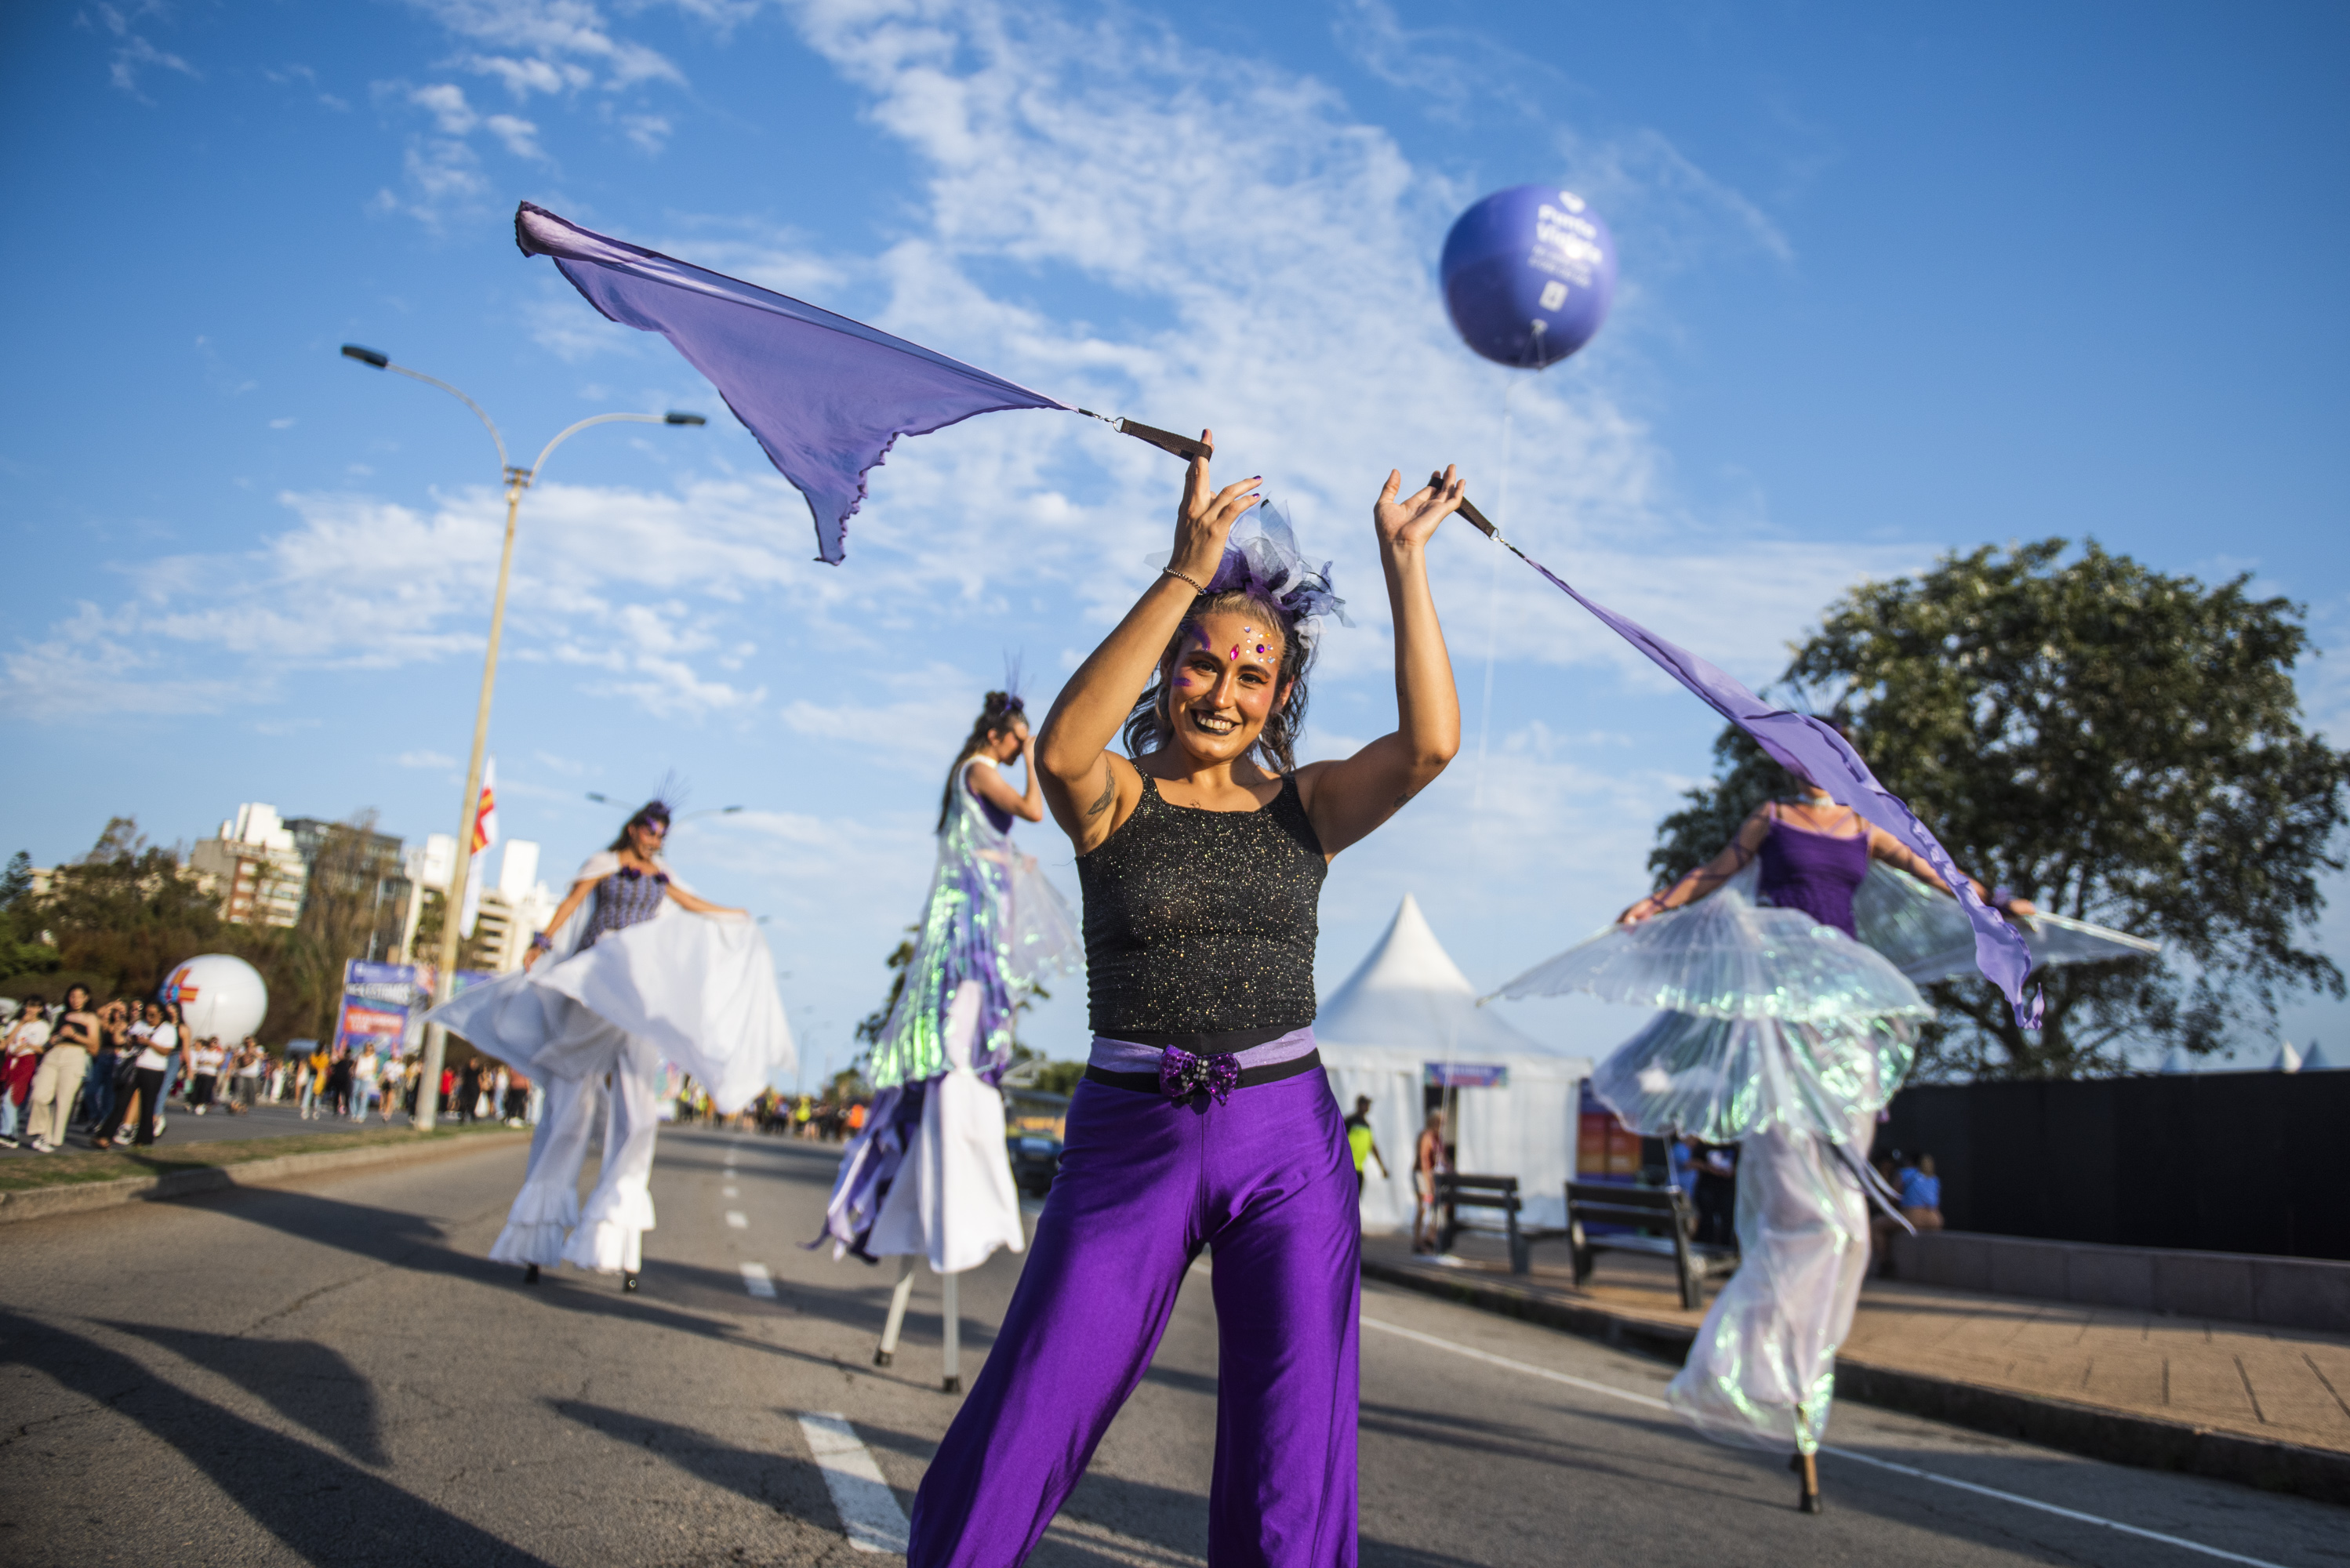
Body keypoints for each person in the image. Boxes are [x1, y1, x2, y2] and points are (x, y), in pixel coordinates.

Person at [903, 445, 1466, 1566]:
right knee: (1035, 1403)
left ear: (1281, 694)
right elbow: (1064, 746)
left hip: (1289, 1141)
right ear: (1168, 670)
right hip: (1131, 1135)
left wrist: (1405, 562)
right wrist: (1183, 573)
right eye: (1201, 665)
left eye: (1251, 677)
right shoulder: (1113, 795)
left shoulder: (1308, 805)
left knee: (1289, 1456)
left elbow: (1430, 746)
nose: (1222, 693)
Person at [427, 796, 791, 1290]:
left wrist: (735, 915)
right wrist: (541, 942)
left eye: (662, 834)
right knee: (570, 1111)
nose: (655, 839)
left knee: (639, 1114)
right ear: (634, 828)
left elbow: (693, 906)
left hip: (637, 993)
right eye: (650, 830)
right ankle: (536, 1235)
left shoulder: (663, 876)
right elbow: (571, 904)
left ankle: (614, 1238)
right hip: (595, 982)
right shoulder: (603, 864)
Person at [818, 688, 1081, 1288]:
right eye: (1017, 739)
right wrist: (1036, 758)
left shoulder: (974, 775)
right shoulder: (980, 770)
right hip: (969, 924)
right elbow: (1034, 810)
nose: (1018, 748)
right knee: (963, 1037)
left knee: (977, 1025)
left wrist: (1010, 861)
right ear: (996, 735)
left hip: (982, 914)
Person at [24, 985, 100, 1152]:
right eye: (72, 996)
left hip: (75, 1056)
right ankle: (40, 1130)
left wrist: (74, 1035)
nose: (76, 1000)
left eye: (79, 996)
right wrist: (54, 1039)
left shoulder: (90, 1017)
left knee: (63, 1099)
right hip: (54, 1054)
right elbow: (52, 1038)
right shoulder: (61, 1015)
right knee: (39, 1094)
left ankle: (50, 1138)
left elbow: (94, 1046)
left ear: (86, 998)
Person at [101, 1000, 179, 1148]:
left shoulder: (168, 1029)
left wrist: (149, 1043)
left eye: (152, 1015)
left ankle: (143, 1139)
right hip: (136, 1068)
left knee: (147, 1106)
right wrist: (131, 1041)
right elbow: (128, 1046)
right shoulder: (139, 1025)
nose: (149, 1018)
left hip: (154, 1070)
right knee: (121, 1102)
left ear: (161, 1014)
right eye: (147, 1014)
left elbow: (166, 1052)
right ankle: (104, 1136)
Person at [0, 997, 47, 1148]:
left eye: (35, 1007)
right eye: (28, 1006)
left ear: (40, 1009)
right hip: (11, 1060)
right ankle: (9, 1133)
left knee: (13, 1096)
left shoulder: (42, 1026)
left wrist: (28, 1045)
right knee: (6, 1097)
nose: (31, 1010)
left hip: (26, 1061)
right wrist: (21, 1023)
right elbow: (6, 1043)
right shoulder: (15, 1023)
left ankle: (8, 1133)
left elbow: (43, 1048)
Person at [1411, 1108, 1449, 1254]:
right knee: (1423, 1206)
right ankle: (1418, 1240)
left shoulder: (1437, 1138)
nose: (1442, 1125)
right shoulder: (1426, 1136)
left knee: (1437, 1207)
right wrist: (1428, 1182)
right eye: (1440, 1122)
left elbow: (1443, 1159)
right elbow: (1423, 1159)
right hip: (1422, 1175)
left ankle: (1430, 1237)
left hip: (1432, 1177)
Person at [1343, 1094, 1388, 1200]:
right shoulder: (1350, 1121)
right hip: (1347, 1167)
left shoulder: (1367, 1126)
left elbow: (1372, 1146)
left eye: (1368, 1104)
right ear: (1359, 1105)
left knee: (1355, 1200)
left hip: (1359, 1169)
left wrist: (1381, 1166)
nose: (1367, 1107)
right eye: (1365, 1104)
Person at [1898, 1152, 1944, 1232]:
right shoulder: (1934, 1179)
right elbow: (1935, 1204)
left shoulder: (1905, 1173)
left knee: (1877, 1225)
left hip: (1913, 1216)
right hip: (1934, 1218)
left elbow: (1893, 1196)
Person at [186, 1034, 225, 1115]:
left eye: (215, 1043)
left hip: (210, 1074)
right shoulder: (204, 1050)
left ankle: (202, 1105)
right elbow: (199, 1060)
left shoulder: (218, 1053)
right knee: (197, 1089)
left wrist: (209, 1063)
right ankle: (194, 1103)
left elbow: (219, 1063)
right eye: (212, 1042)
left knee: (206, 1090)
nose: (213, 1044)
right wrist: (207, 1063)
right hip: (201, 1073)